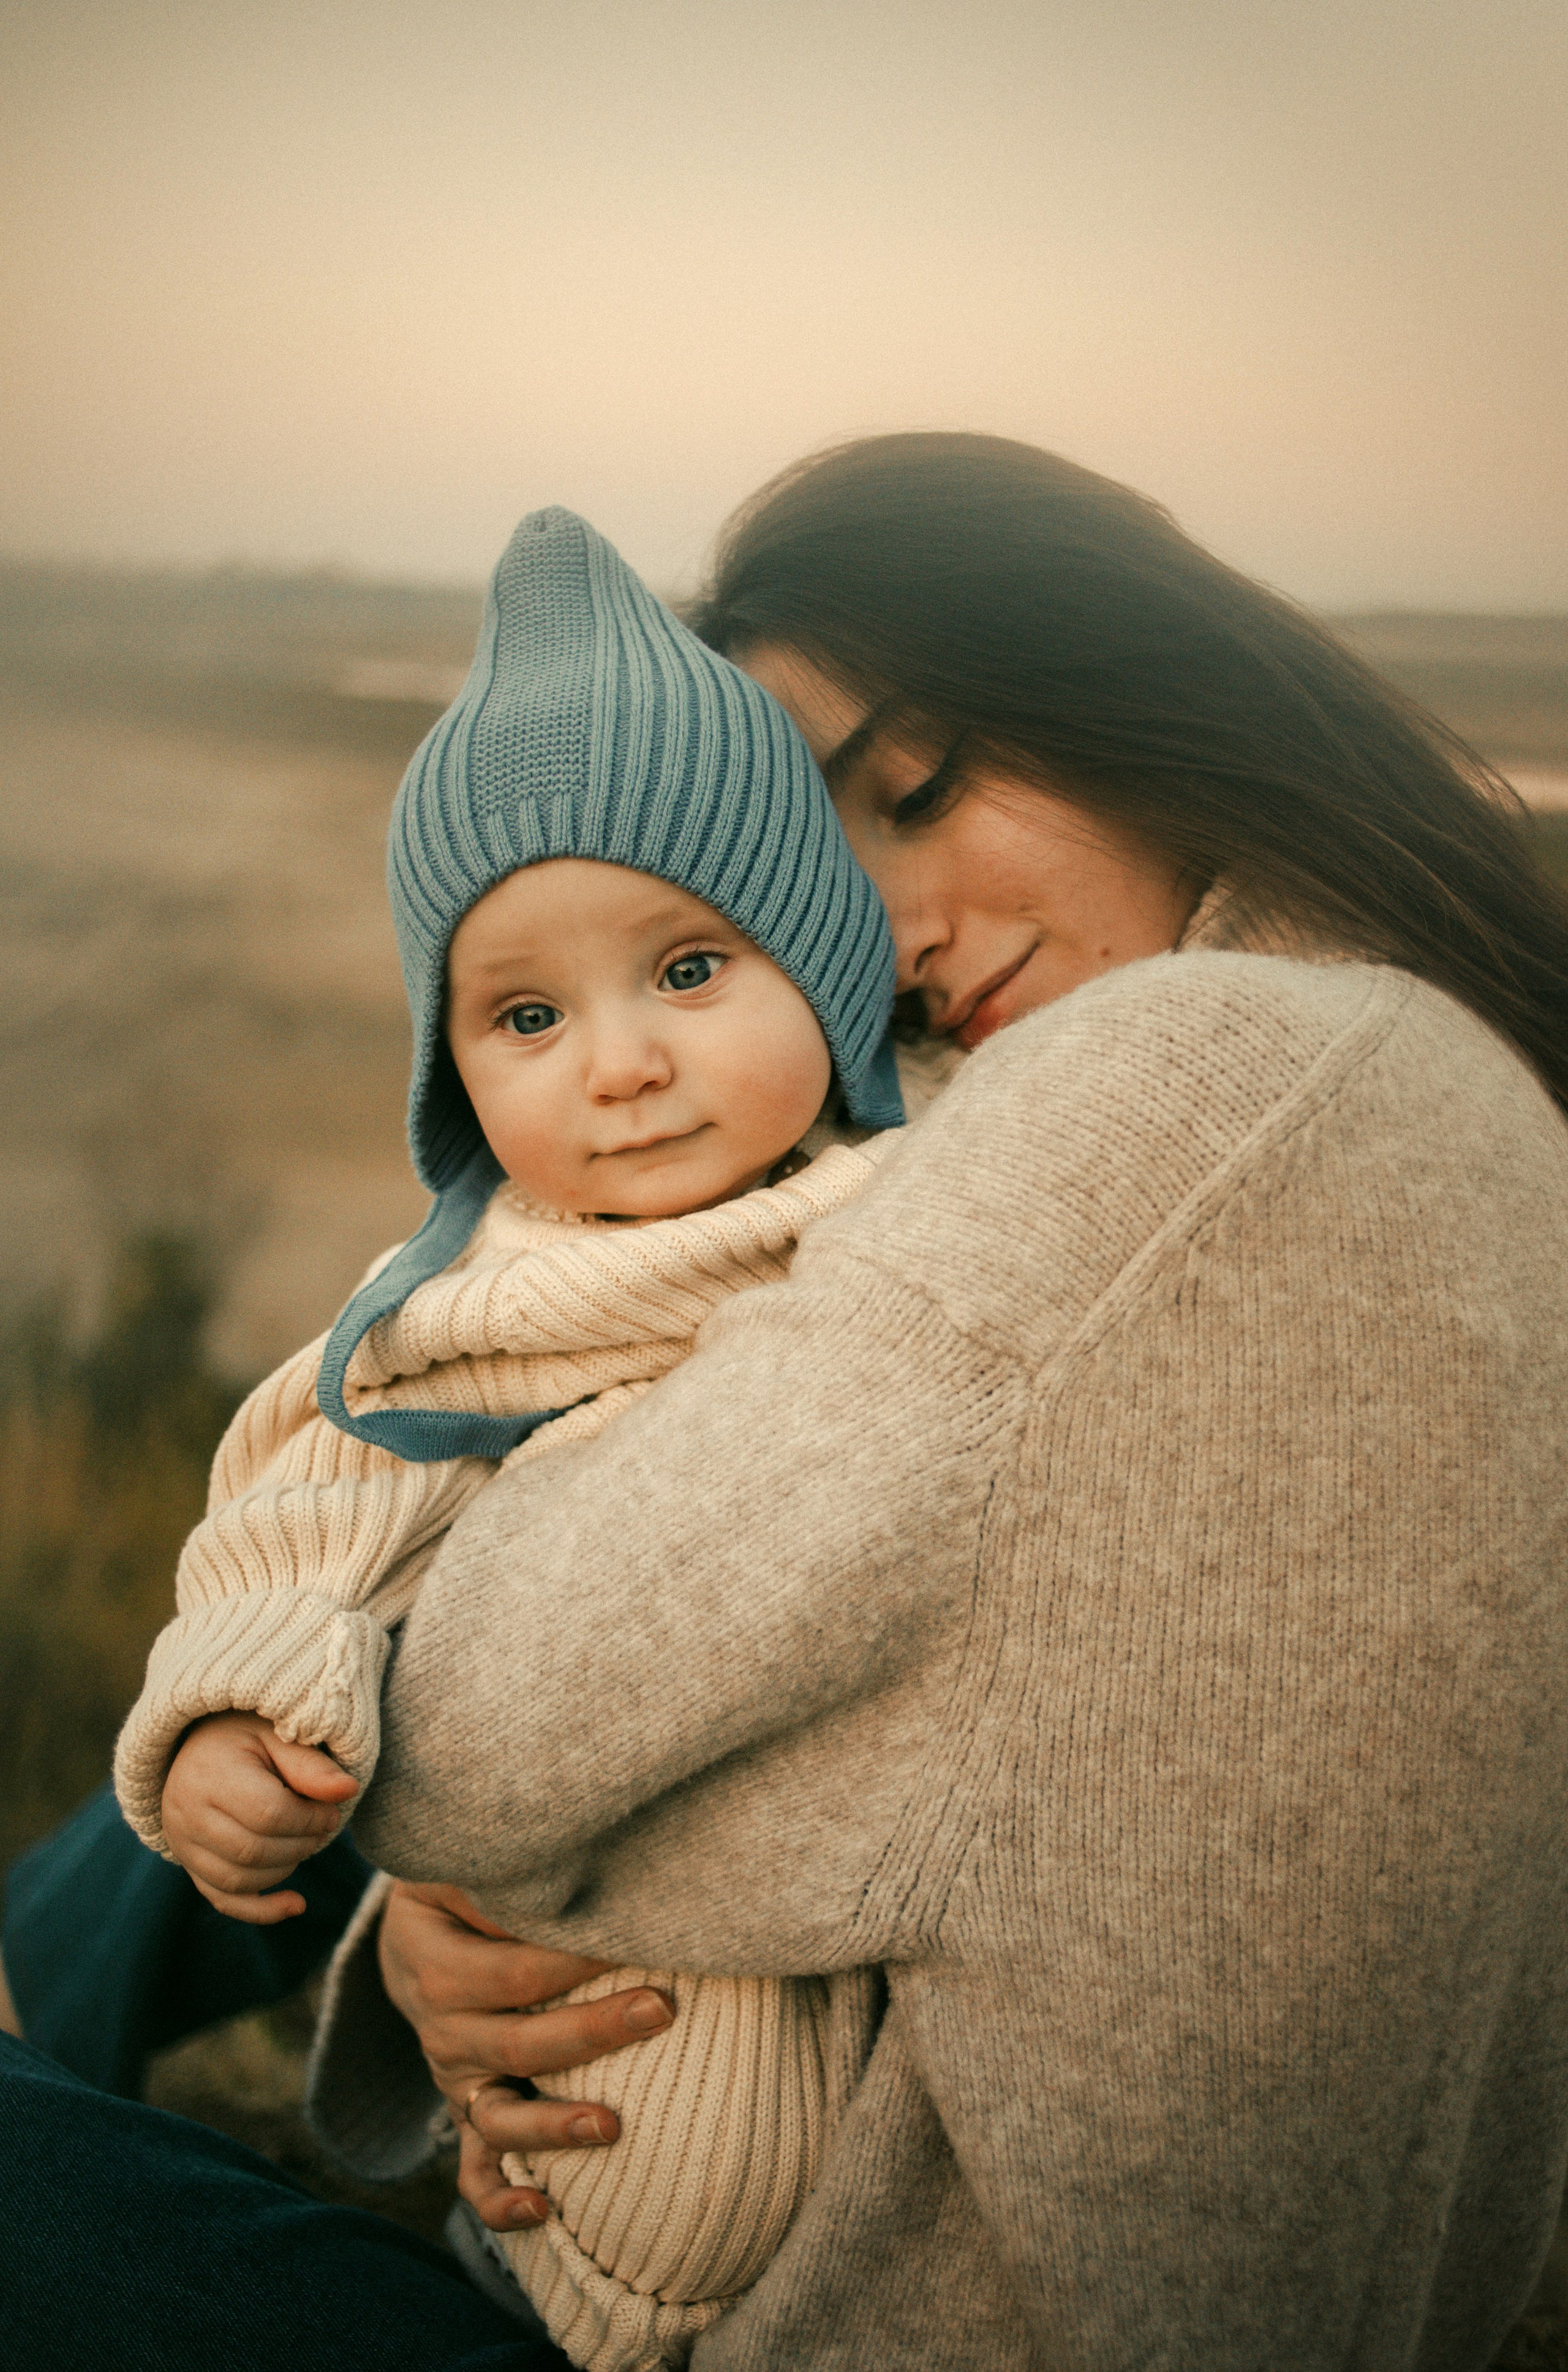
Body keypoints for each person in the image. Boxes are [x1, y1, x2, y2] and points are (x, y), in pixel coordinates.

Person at [6, 431, 1568, 2371]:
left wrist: (422, 1899)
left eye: (915, 791)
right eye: (823, 884)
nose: (890, 936)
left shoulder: (1194, 1086)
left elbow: (494, 1724)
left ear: (1135, 672)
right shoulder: (1466, 1094)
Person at [109, 504, 905, 2369]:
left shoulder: (922, 1221)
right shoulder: (472, 1308)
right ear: (452, 1071)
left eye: (691, 971)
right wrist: (243, 1711)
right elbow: (311, 1509)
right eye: (528, 1015)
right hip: (561, 2151)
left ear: (827, 966)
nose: (618, 1065)